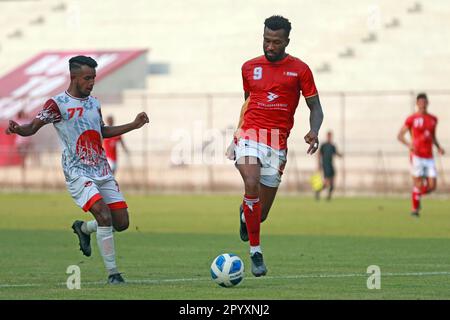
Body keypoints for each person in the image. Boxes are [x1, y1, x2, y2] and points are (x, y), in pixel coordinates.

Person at [5, 55, 150, 284]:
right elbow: (33, 126)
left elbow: (101, 131)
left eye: (93, 78)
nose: (91, 82)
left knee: (121, 223)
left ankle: (83, 229)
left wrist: (133, 125)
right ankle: (113, 274)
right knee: (103, 214)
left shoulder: (94, 103)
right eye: (87, 78)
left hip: (101, 169)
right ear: (73, 77)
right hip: (77, 171)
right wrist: (19, 130)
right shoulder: (57, 104)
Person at [226, 15, 324, 277]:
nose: (270, 47)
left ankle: (245, 213)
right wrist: (235, 134)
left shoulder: (300, 70)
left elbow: (315, 107)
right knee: (251, 181)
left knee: (260, 215)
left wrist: (314, 130)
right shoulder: (249, 67)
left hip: (276, 142)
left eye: (276, 42)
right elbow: (248, 103)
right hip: (249, 134)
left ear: (286, 42)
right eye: (266, 41)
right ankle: (256, 253)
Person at [397, 93, 445, 217]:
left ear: (427, 103)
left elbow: (433, 136)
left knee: (432, 186)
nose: (423, 104)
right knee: (418, 183)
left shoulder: (433, 119)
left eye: (425, 102)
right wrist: (409, 145)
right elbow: (400, 136)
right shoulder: (411, 119)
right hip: (416, 155)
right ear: (417, 104)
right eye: (420, 102)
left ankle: (416, 195)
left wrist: (439, 147)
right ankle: (415, 209)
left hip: (429, 156)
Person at [316, 131, 342, 201]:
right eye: (328, 136)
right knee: (327, 182)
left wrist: (340, 155)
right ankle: (318, 191)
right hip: (325, 165)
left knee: (333, 182)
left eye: (330, 136)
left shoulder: (333, 146)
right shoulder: (324, 145)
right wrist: (319, 164)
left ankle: (329, 197)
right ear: (327, 136)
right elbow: (319, 154)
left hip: (331, 165)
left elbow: (336, 153)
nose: (329, 137)